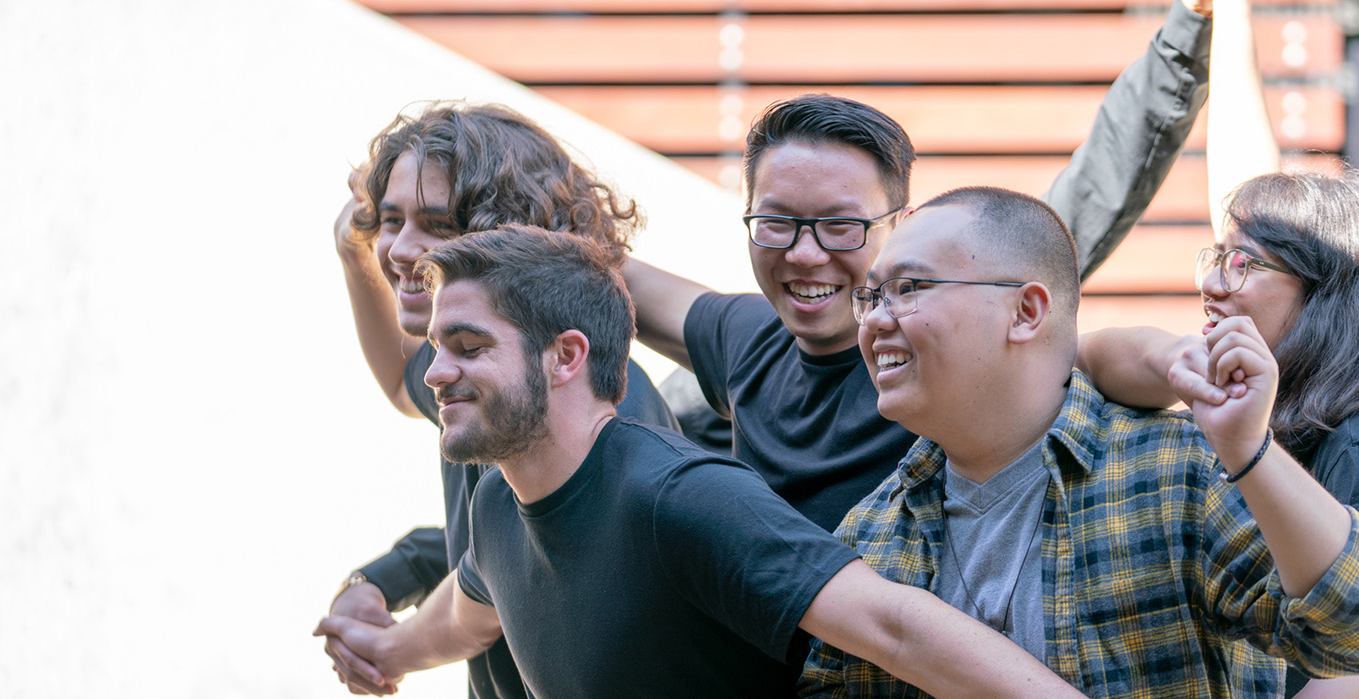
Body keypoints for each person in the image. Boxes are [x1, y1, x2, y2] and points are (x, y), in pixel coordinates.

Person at [624, 0, 1295, 530]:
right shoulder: (747, 340)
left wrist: (1193, 22)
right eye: (778, 223)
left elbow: (1094, 211)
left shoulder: (949, 340)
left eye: (840, 226)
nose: (805, 254)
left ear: (902, 227)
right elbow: (604, 274)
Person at [315, 225, 1098, 699]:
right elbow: (463, 616)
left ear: (565, 357)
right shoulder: (495, 508)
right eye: (436, 348)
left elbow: (895, 628)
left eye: (467, 346)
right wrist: (380, 646)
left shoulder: (678, 499)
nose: (437, 372)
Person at [1076, 0, 1359, 697]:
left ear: (1326, 296)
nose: (1211, 281)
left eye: (1243, 264)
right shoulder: (1286, 402)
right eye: (1216, 258)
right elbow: (1088, 356)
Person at [799, 186, 1359, 697]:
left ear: (1026, 312)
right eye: (871, 296)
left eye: (908, 289)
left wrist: (1250, 451)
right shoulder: (871, 533)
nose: (876, 319)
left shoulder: (1174, 474)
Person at [324, 102, 679, 697]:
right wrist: (350, 247)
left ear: (515, 238)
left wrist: (385, 649)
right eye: (391, 220)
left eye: (435, 225)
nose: (401, 250)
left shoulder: (587, 404)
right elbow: (397, 381)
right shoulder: (467, 370)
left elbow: (487, 592)